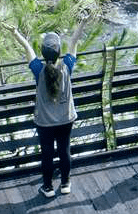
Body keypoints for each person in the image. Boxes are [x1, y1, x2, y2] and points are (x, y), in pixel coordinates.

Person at [7, 17, 86, 198]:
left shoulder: (38, 70)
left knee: (47, 155)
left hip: (44, 123)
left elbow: (27, 48)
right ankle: (65, 183)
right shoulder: (67, 66)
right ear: (59, 52)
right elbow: (74, 41)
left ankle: (48, 187)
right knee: (64, 151)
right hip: (66, 119)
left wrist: (15, 33)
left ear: (42, 52)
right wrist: (82, 22)